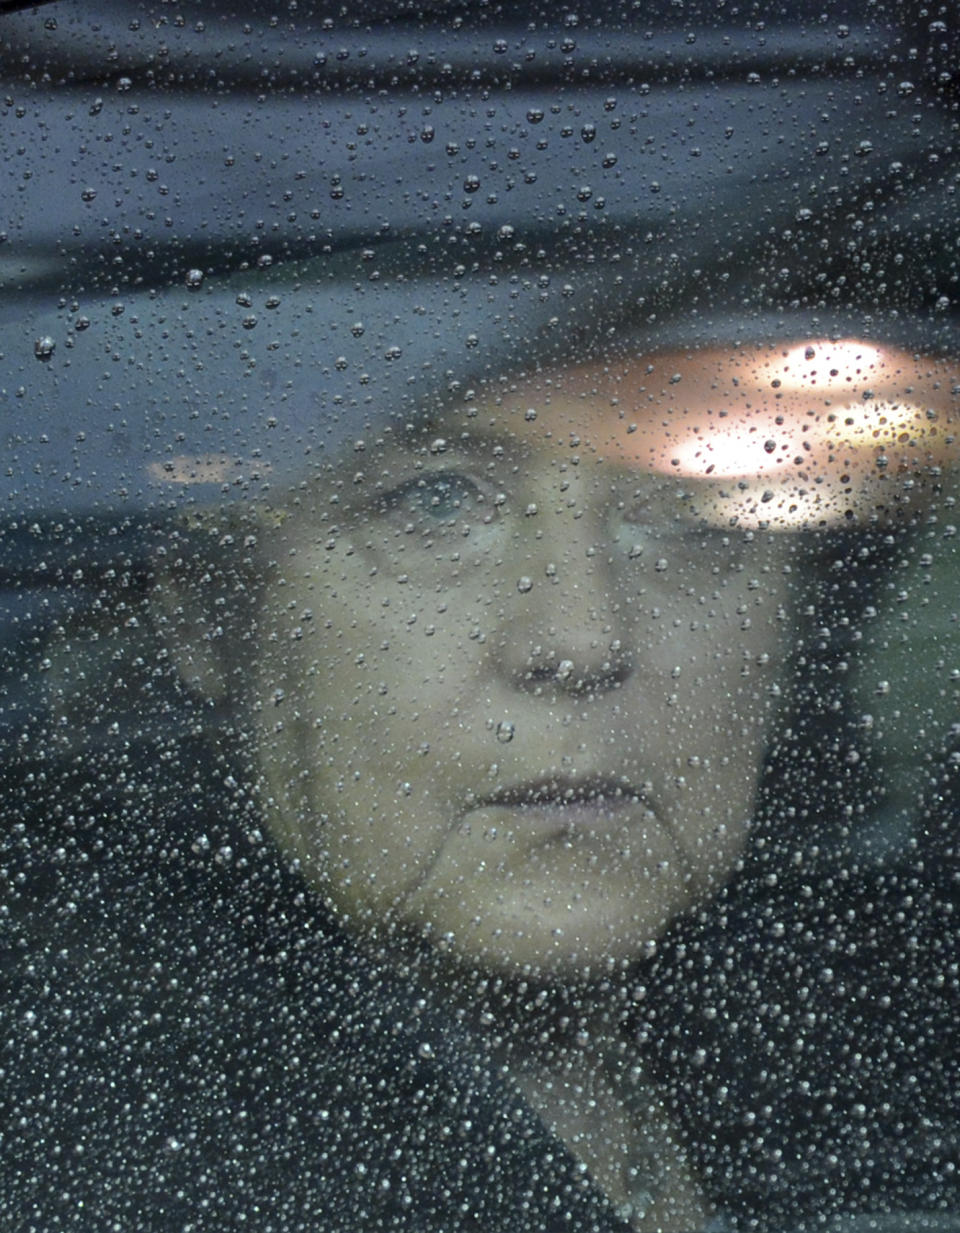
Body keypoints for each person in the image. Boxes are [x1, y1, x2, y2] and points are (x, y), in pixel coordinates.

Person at [0, 2, 957, 1231]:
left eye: (695, 514)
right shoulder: (94, 1137)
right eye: (435, 502)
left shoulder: (863, 1046)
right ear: (205, 618)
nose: (582, 638)